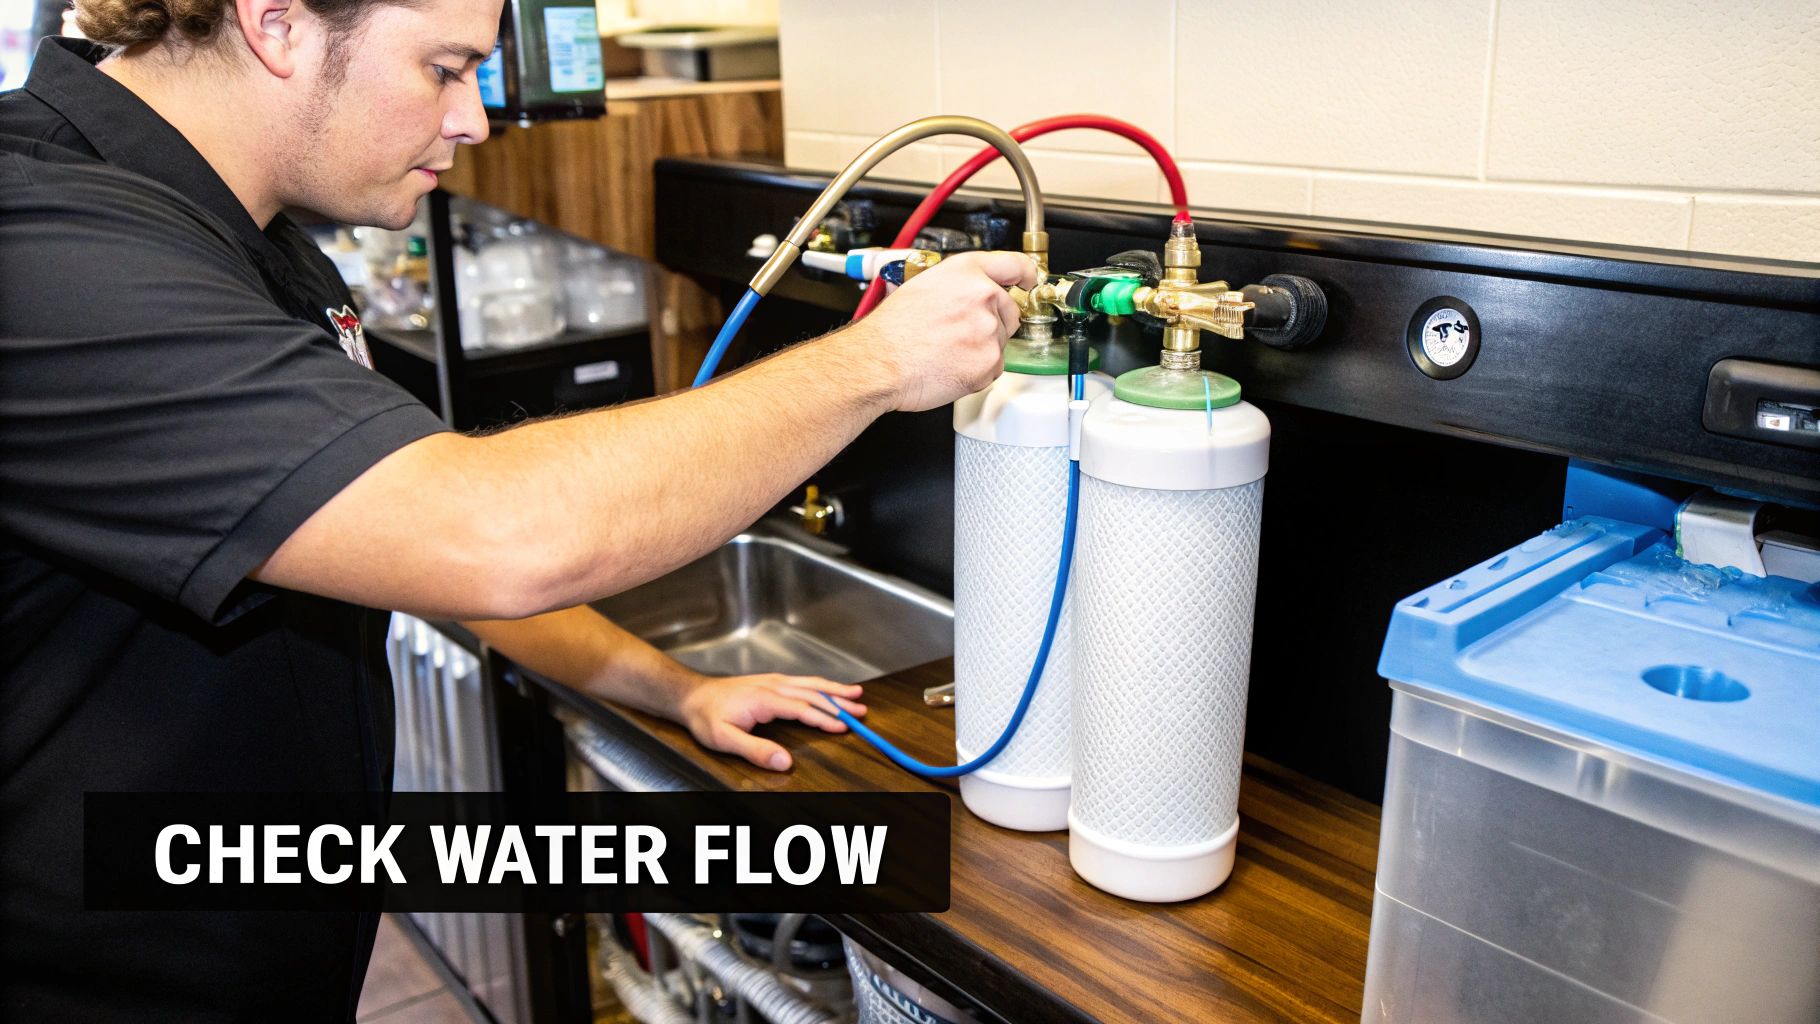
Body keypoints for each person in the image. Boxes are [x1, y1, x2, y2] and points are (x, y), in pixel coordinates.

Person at [0, 0, 1036, 1015]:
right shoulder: (41, 236)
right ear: (276, 23)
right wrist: (876, 360)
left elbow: (398, 535)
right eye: (443, 68)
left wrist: (672, 687)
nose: (473, 120)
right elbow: (492, 531)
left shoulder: (256, 238)